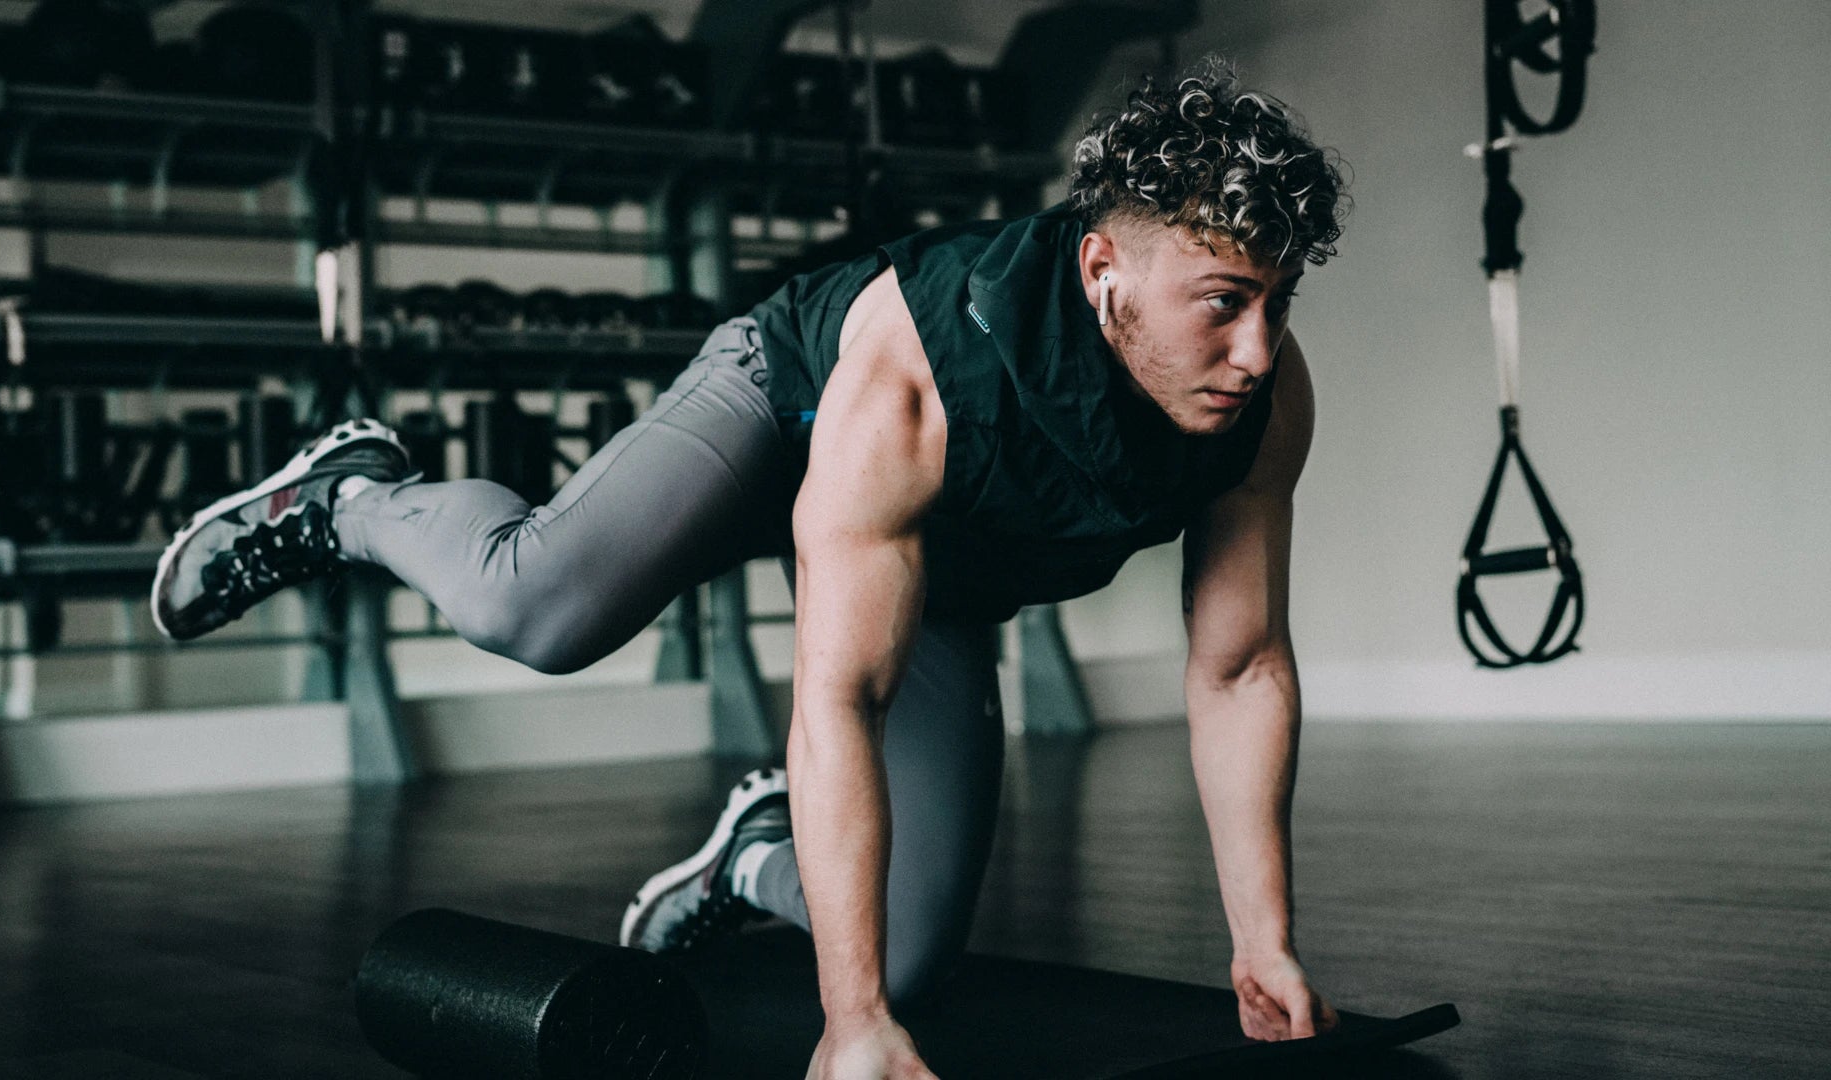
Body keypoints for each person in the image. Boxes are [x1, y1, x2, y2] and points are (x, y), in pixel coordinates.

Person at [150, 62, 1348, 1079]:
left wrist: (1263, 938)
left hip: (943, 553)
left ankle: (749, 856)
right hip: (782, 415)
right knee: (530, 605)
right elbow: (839, 699)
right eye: (1225, 303)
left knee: (913, 952)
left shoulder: (1262, 400)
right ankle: (353, 499)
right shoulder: (921, 370)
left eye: (1277, 303)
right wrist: (849, 1023)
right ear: (1105, 275)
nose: (1255, 349)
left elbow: (1239, 668)